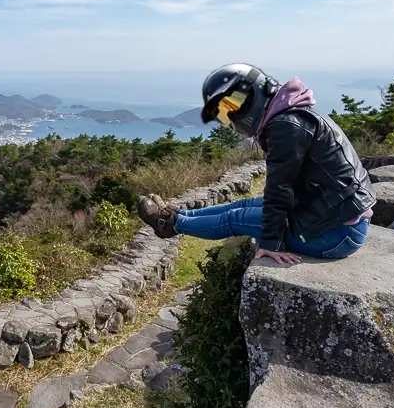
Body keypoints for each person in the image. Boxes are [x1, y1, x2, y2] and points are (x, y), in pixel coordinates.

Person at [137, 63, 376, 265]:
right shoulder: (292, 115)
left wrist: (272, 243)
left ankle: (169, 224)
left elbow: (279, 189)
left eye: (230, 109)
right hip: (328, 215)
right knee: (246, 203)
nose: (229, 119)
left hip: (335, 233)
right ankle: (179, 214)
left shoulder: (286, 126)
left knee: (235, 219)